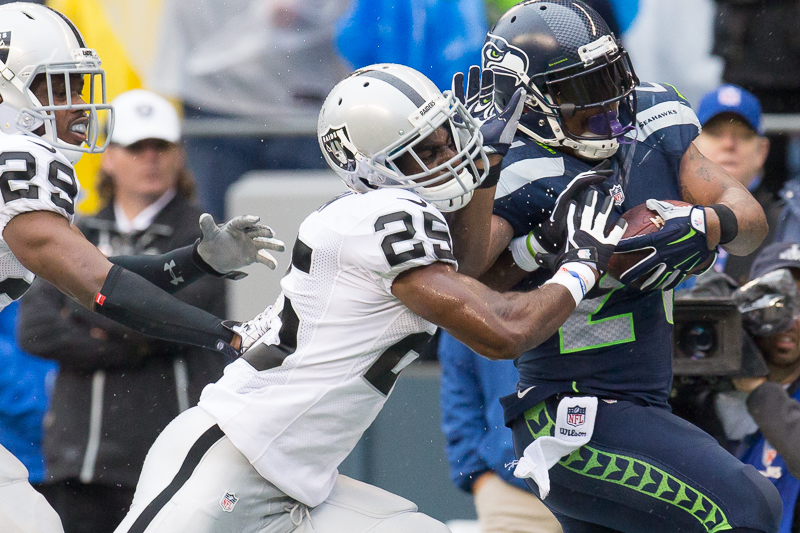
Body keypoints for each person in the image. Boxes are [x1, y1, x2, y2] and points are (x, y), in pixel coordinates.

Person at [112, 62, 627, 533]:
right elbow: (501, 331)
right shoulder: (385, 218)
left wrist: (490, 172)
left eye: (447, 139)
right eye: (423, 152)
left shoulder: (380, 218)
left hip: (299, 478)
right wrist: (583, 264)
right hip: (231, 458)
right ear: (372, 169)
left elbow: (464, 272)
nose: (449, 157)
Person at [474, 1, 780, 531]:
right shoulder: (520, 167)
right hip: (571, 415)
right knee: (751, 506)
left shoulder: (654, 118)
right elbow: (469, 277)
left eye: (608, 76)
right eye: (580, 91)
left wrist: (707, 223)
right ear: (529, 100)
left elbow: (750, 216)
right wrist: (532, 232)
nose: (607, 104)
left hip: (644, 404)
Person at [0, 4, 283, 532]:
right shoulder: (18, 160)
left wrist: (193, 261)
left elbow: (97, 271)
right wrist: (228, 335)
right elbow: (99, 286)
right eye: (58, 87)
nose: (78, 105)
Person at [15, 89, 229, 533]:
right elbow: (35, 331)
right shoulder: (76, 228)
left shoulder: (206, 234)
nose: (149, 158)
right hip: (81, 460)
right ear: (109, 157)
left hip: (174, 457)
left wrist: (82, 302)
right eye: (135, 147)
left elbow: (167, 325)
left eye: (161, 147)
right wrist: (132, 335)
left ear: (178, 155)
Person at [439, 331, 562, 533]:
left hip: (608, 488)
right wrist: (480, 478)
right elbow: (459, 391)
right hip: (515, 497)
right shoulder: (473, 300)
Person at [692, 84, 774, 284]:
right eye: (715, 133)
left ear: (762, 151)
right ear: (691, 145)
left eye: (743, 134)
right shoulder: (661, 218)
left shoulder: (785, 225)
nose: (728, 144)